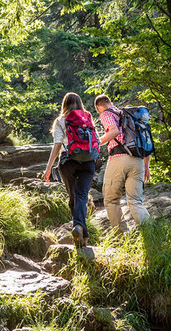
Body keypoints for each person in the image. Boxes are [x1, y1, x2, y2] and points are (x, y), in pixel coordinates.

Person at [43, 92, 99, 248]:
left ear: (64, 104)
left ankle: (79, 229)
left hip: (68, 162)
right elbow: (97, 140)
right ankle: (82, 231)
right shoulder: (87, 117)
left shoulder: (61, 120)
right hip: (88, 162)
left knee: (73, 197)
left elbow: (57, 144)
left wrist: (48, 168)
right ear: (80, 103)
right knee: (82, 195)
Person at [94, 94, 150, 230]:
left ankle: (121, 236)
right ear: (110, 101)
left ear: (99, 106)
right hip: (138, 161)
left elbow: (113, 131)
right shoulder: (130, 116)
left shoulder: (107, 114)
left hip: (119, 159)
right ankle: (151, 234)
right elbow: (145, 142)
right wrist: (146, 166)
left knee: (111, 200)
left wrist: (96, 142)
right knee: (136, 201)